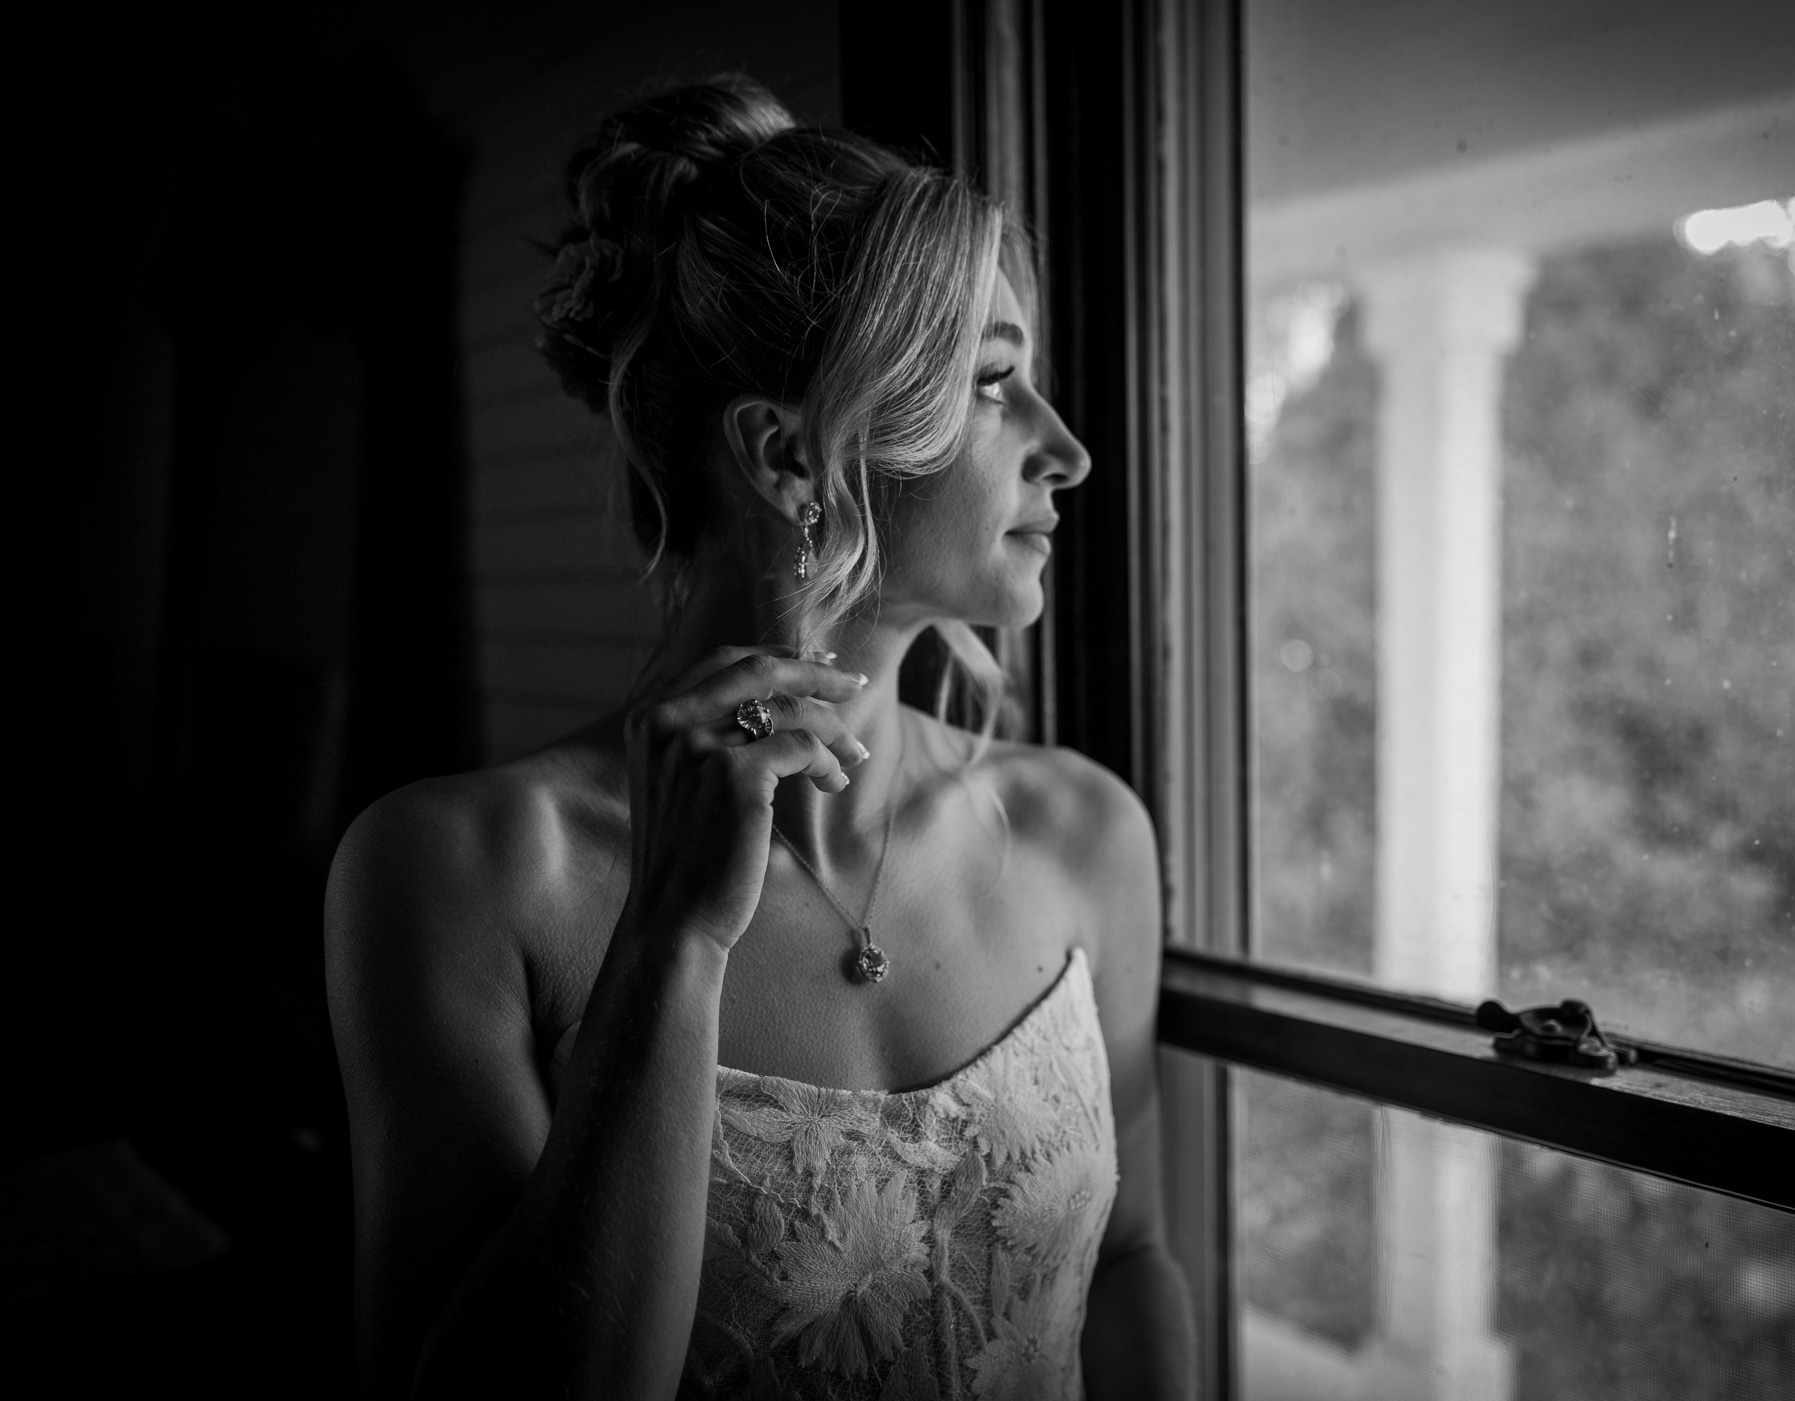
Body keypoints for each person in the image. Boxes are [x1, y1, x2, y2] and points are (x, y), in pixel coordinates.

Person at [324, 75, 1194, 1400]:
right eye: (993, 384)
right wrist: (672, 941)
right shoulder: (462, 876)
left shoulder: (1088, 833)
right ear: (789, 457)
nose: (1066, 449)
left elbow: (1127, 1264)